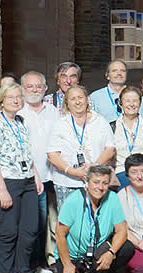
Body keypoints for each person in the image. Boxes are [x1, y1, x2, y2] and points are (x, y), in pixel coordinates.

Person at [0, 81, 45, 273]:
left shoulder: (20, 122)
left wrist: (35, 177)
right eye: (10, 97)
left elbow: (27, 153)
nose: (16, 100)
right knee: (8, 231)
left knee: (29, 230)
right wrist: (2, 191)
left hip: (26, 180)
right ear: (1, 101)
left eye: (19, 96)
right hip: (4, 182)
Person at [54, 164, 132, 273]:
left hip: (98, 253)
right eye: (95, 182)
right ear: (87, 182)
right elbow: (60, 235)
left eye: (105, 183)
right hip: (73, 256)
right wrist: (67, 265)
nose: (100, 187)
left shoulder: (112, 198)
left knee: (127, 247)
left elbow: (122, 231)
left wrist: (110, 253)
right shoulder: (73, 201)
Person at [18, 69, 62, 273]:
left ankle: (46, 261)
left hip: (55, 173)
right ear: (22, 89)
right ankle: (32, 265)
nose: (34, 90)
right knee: (34, 222)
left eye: (38, 86)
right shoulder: (18, 112)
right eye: (29, 86)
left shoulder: (54, 112)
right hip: (31, 177)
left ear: (45, 89)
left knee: (51, 221)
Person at [47, 83, 115, 214]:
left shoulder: (100, 121)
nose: (77, 102)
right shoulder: (60, 124)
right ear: (67, 103)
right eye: (72, 99)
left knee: (95, 220)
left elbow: (110, 148)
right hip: (66, 183)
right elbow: (52, 154)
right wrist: (73, 171)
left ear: (87, 100)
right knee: (68, 223)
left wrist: (94, 168)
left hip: (96, 181)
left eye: (80, 97)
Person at [111, 84, 143, 182]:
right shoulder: (112, 127)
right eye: (127, 101)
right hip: (121, 174)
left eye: (135, 101)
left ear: (140, 103)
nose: (131, 104)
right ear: (121, 104)